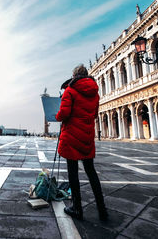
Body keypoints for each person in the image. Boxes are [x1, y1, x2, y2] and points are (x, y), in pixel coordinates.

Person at [56, 64, 107, 221]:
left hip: (71, 136)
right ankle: (102, 209)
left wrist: (57, 116)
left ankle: (77, 208)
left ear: (74, 76)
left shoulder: (70, 91)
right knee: (91, 172)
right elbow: (95, 114)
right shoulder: (95, 93)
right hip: (86, 136)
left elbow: (64, 113)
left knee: (73, 174)